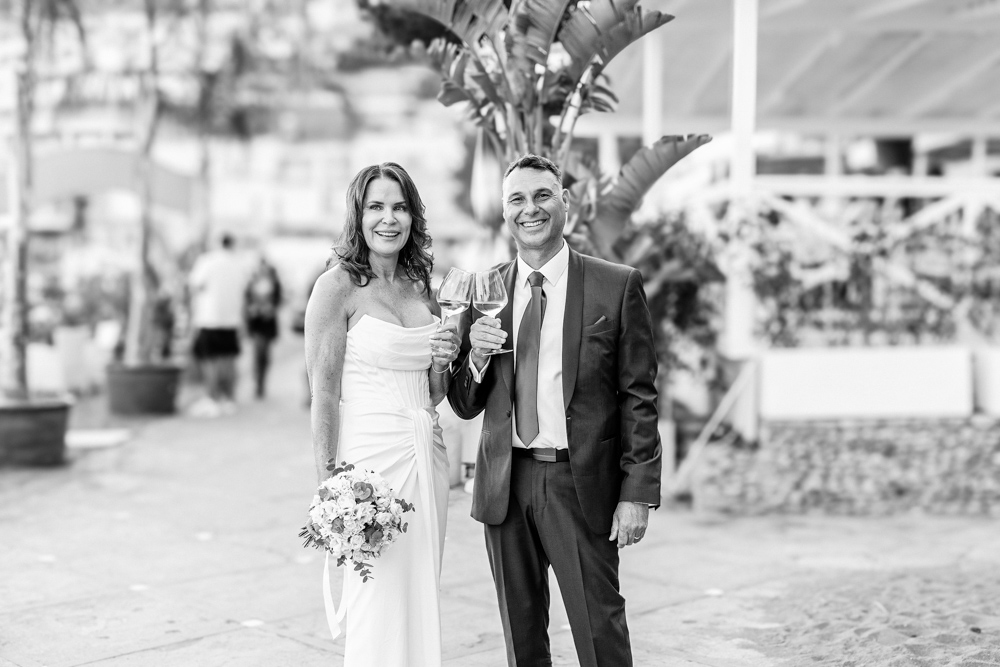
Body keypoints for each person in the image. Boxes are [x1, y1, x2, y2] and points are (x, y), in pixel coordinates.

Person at [447, 154, 662, 667]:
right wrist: (474, 355)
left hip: (580, 482)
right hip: (505, 484)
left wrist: (637, 493)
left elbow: (639, 395)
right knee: (522, 639)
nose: (530, 209)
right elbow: (463, 402)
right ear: (504, 212)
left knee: (599, 632)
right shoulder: (487, 292)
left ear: (564, 201)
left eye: (542, 195)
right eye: (517, 199)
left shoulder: (616, 284)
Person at [304, 162, 460, 666]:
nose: (388, 218)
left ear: (413, 217)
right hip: (368, 464)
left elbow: (432, 393)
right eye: (376, 206)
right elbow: (323, 393)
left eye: (399, 207)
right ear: (358, 214)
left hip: (425, 455)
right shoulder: (336, 287)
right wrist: (330, 486)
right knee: (377, 601)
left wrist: (443, 360)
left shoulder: (421, 287)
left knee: (418, 591)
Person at [188, 233, 249, 417]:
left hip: (209, 319)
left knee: (210, 360)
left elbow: (195, 285)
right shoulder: (239, 264)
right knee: (228, 359)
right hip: (231, 320)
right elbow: (244, 292)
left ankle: (212, 399)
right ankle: (229, 399)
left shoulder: (207, 261)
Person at [244, 256, 283, 399]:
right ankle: (258, 383)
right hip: (256, 322)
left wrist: (271, 308)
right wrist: (252, 309)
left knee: (265, 355)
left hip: (267, 322)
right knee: (257, 352)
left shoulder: (274, 282)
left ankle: (261, 382)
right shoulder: (252, 283)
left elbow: (278, 299)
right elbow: (246, 299)